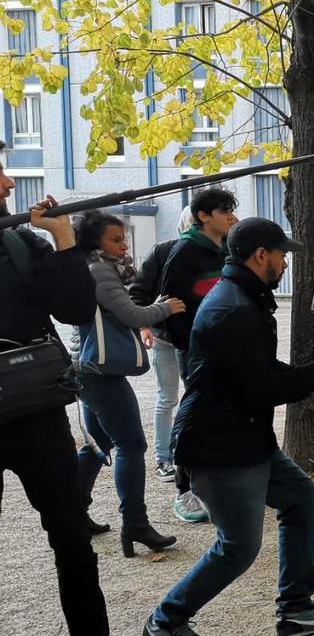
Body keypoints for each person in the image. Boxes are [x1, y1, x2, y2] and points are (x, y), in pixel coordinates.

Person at [144, 218, 314, 636]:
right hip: (220, 445)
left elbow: (254, 373)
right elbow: (257, 386)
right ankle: (165, 622)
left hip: (245, 436)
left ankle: (295, 608)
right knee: (238, 548)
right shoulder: (235, 308)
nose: (285, 263)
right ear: (261, 256)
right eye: (282, 255)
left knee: (300, 498)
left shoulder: (243, 296)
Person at [0, 144, 111, 635]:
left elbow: (75, 309)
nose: (7, 185)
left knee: (71, 537)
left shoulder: (20, 243)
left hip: (36, 412)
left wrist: (65, 239)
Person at [71, 210, 183, 557]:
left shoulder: (90, 267)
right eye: (115, 240)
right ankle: (134, 523)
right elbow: (131, 315)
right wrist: (165, 307)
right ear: (95, 243)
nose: (124, 246)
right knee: (132, 444)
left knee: (99, 441)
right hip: (101, 373)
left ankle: (72, 512)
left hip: (87, 370)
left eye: (124, 239)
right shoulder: (100, 271)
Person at [159, 187, 239, 523]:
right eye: (224, 212)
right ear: (203, 216)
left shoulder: (226, 249)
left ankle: (220, 482)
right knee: (193, 417)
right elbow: (171, 305)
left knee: (224, 415)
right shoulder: (185, 251)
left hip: (224, 348)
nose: (232, 218)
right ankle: (184, 490)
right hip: (194, 351)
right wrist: (190, 347)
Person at [131, 206, 195, 484]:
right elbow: (138, 292)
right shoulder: (164, 251)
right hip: (166, 336)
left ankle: (188, 457)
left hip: (198, 339)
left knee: (193, 397)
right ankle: (164, 458)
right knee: (168, 398)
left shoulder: (219, 251)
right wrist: (146, 324)